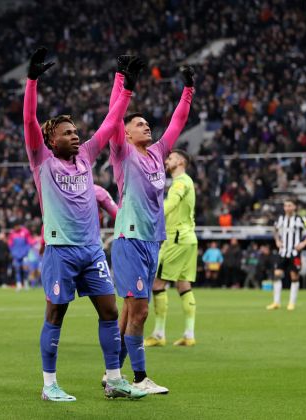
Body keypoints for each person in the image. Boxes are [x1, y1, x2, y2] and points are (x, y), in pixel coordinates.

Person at [24, 47, 144, 401]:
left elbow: (110, 123)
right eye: (67, 132)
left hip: (92, 251)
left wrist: (127, 88)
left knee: (109, 311)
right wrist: (31, 80)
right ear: (50, 140)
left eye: (76, 131)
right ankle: (49, 385)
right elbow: (30, 122)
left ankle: (114, 379)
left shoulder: (87, 159)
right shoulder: (41, 161)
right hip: (61, 251)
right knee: (55, 315)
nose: (75, 136)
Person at [108, 56, 195, 394]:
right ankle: (140, 378)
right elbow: (113, 116)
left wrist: (188, 89)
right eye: (139, 124)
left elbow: (178, 120)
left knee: (130, 312)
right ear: (125, 132)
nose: (146, 126)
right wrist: (123, 82)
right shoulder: (122, 152)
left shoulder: (158, 153)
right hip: (130, 240)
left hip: (152, 242)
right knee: (140, 312)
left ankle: (112, 376)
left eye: (147, 123)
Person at [145, 149, 198, 348]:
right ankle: (189, 334)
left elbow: (170, 204)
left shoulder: (181, 182)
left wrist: (150, 216)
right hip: (188, 238)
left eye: (171, 157)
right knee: (184, 286)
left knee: (157, 284)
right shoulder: (187, 182)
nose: (167, 160)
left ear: (181, 161)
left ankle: (159, 334)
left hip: (176, 239)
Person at [267, 198, 306, 310]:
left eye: (289, 205)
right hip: (283, 252)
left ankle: (291, 303)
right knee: (277, 275)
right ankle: (276, 302)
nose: (287, 208)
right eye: (285, 206)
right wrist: (277, 240)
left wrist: (304, 243)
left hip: (295, 253)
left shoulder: (300, 219)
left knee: (294, 277)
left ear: (294, 207)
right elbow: (274, 229)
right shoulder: (280, 219)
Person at [7, 222, 33, 290]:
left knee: (25, 269)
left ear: (19, 225)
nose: (15, 228)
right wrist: (13, 253)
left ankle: (26, 283)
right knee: (17, 269)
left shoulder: (25, 232)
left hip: (24, 255)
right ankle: (19, 284)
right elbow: (10, 244)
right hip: (16, 255)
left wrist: (26, 252)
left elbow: (29, 242)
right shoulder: (12, 233)